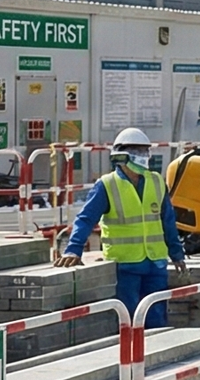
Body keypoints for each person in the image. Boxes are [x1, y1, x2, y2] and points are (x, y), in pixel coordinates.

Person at [56, 129, 187, 327]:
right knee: (129, 320)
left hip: (155, 264)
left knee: (156, 318)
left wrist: (177, 255)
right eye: (138, 152)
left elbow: (168, 221)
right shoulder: (107, 185)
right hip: (125, 266)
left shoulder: (156, 182)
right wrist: (74, 249)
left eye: (145, 152)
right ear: (121, 156)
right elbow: (85, 219)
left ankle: (155, 354)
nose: (143, 157)